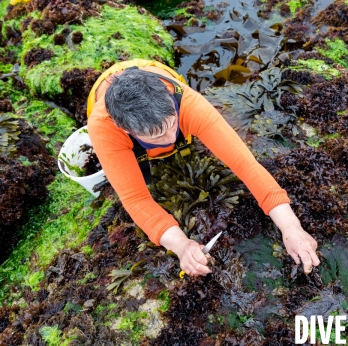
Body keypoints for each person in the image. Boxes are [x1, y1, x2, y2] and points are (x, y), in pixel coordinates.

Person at [87, 59, 320, 276]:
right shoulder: (104, 128)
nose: (170, 136)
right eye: (158, 134)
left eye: (171, 124)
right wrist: (182, 245)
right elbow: (136, 199)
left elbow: (245, 164)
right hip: (110, 108)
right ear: (125, 130)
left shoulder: (188, 103)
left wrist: (291, 227)